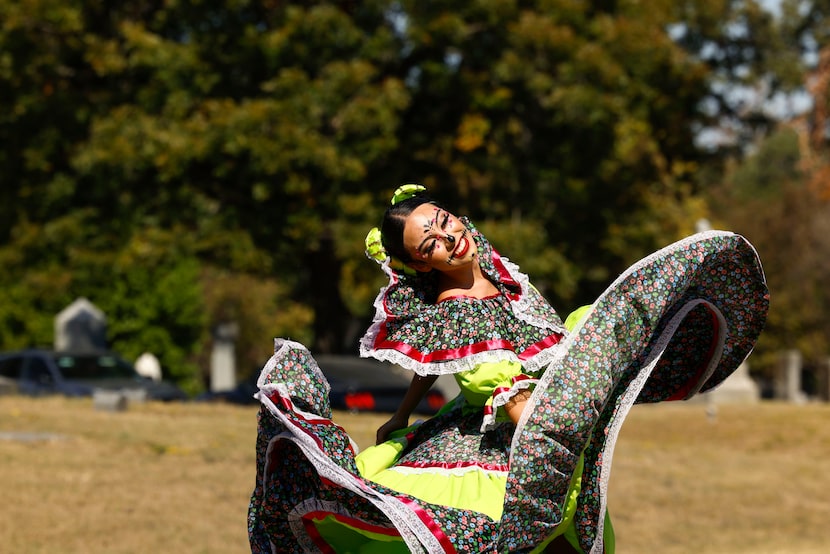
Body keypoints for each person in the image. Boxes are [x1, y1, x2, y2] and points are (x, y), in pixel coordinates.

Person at [248, 184, 769, 553]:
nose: (448, 237)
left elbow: (435, 360)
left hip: (539, 411)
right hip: (502, 445)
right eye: (429, 243)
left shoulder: (491, 266)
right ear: (423, 264)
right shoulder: (458, 308)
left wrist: (402, 415)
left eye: (443, 221)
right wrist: (577, 410)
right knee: (532, 535)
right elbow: (500, 392)